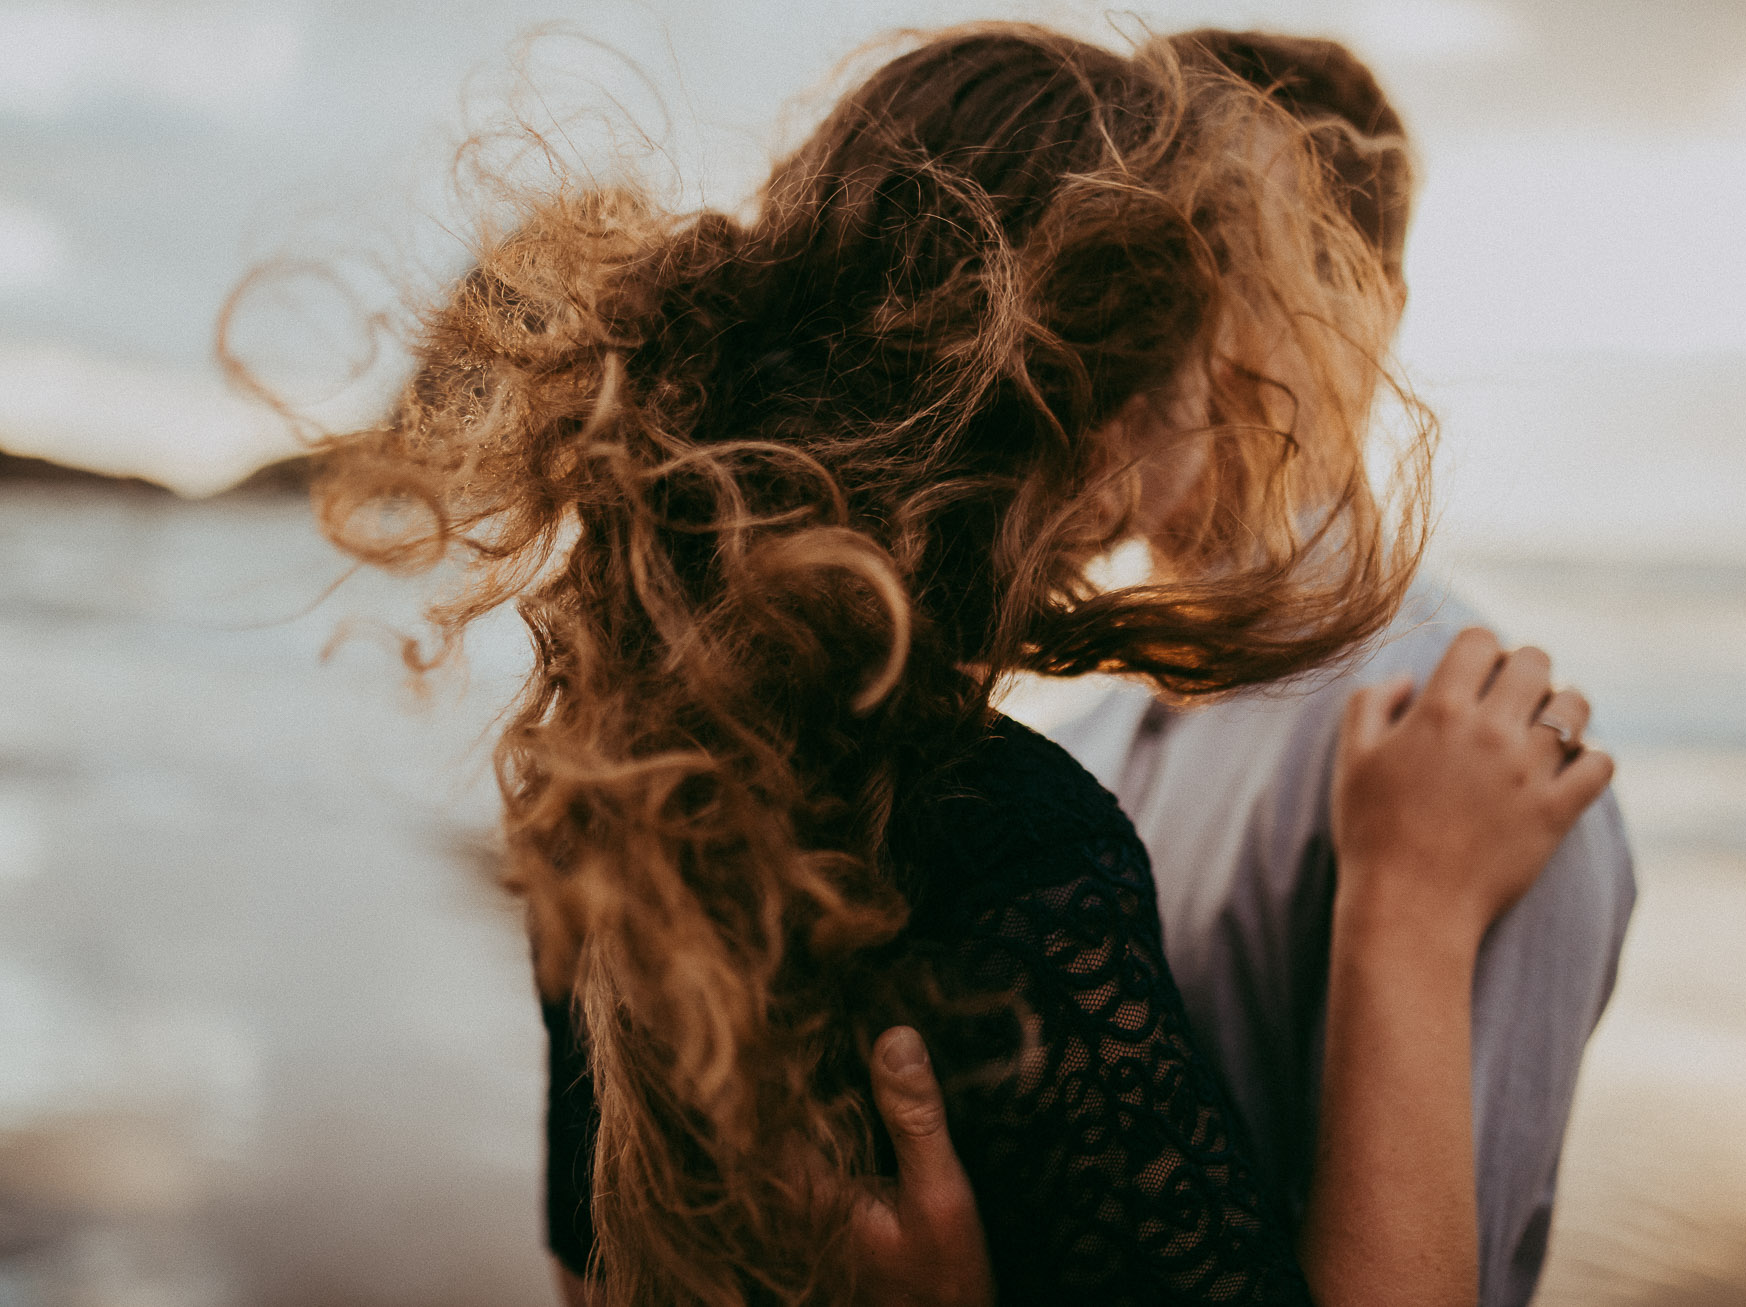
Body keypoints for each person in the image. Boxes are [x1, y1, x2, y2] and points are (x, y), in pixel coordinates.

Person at [305, 22, 1612, 1306]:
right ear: (1104, 414)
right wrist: (1410, 919)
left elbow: (590, 1282)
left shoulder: (629, 766)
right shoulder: (1020, 844)